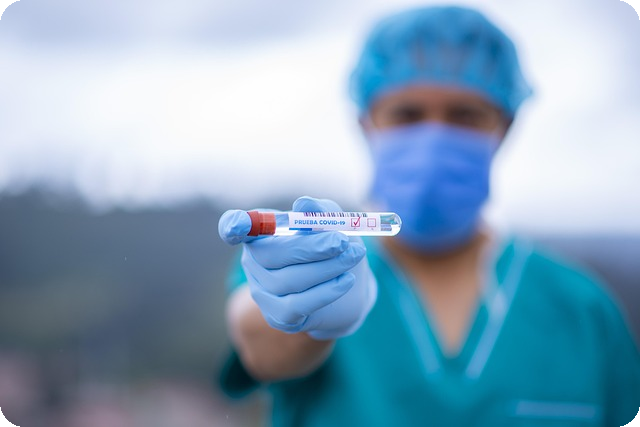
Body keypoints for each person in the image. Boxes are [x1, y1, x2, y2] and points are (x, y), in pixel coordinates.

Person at [216, 5, 640, 426]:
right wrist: (309, 323)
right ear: (367, 125)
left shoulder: (584, 312)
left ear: (503, 128)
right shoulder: (303, 261)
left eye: (465, 115)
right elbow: (262, 346)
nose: (434, 136)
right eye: (407, 114)